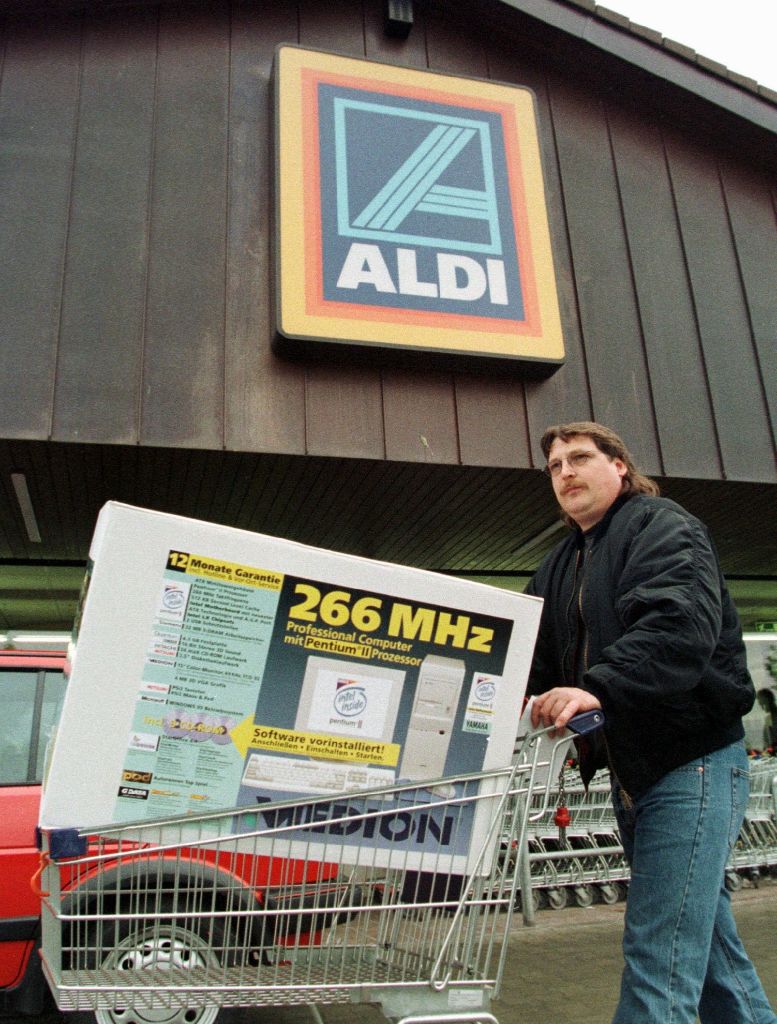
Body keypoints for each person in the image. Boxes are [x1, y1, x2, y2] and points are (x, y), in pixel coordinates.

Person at [525, 420, 776, 1024]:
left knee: (658, 957)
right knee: (707, 951)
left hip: (691, 762)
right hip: (632, 773)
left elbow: (676, 627)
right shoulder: (560, 565)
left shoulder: (662, 527)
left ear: (619, 465)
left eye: (580, 458)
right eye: (555, 466)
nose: (565, 473)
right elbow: (529, 651)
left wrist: (595, 689)